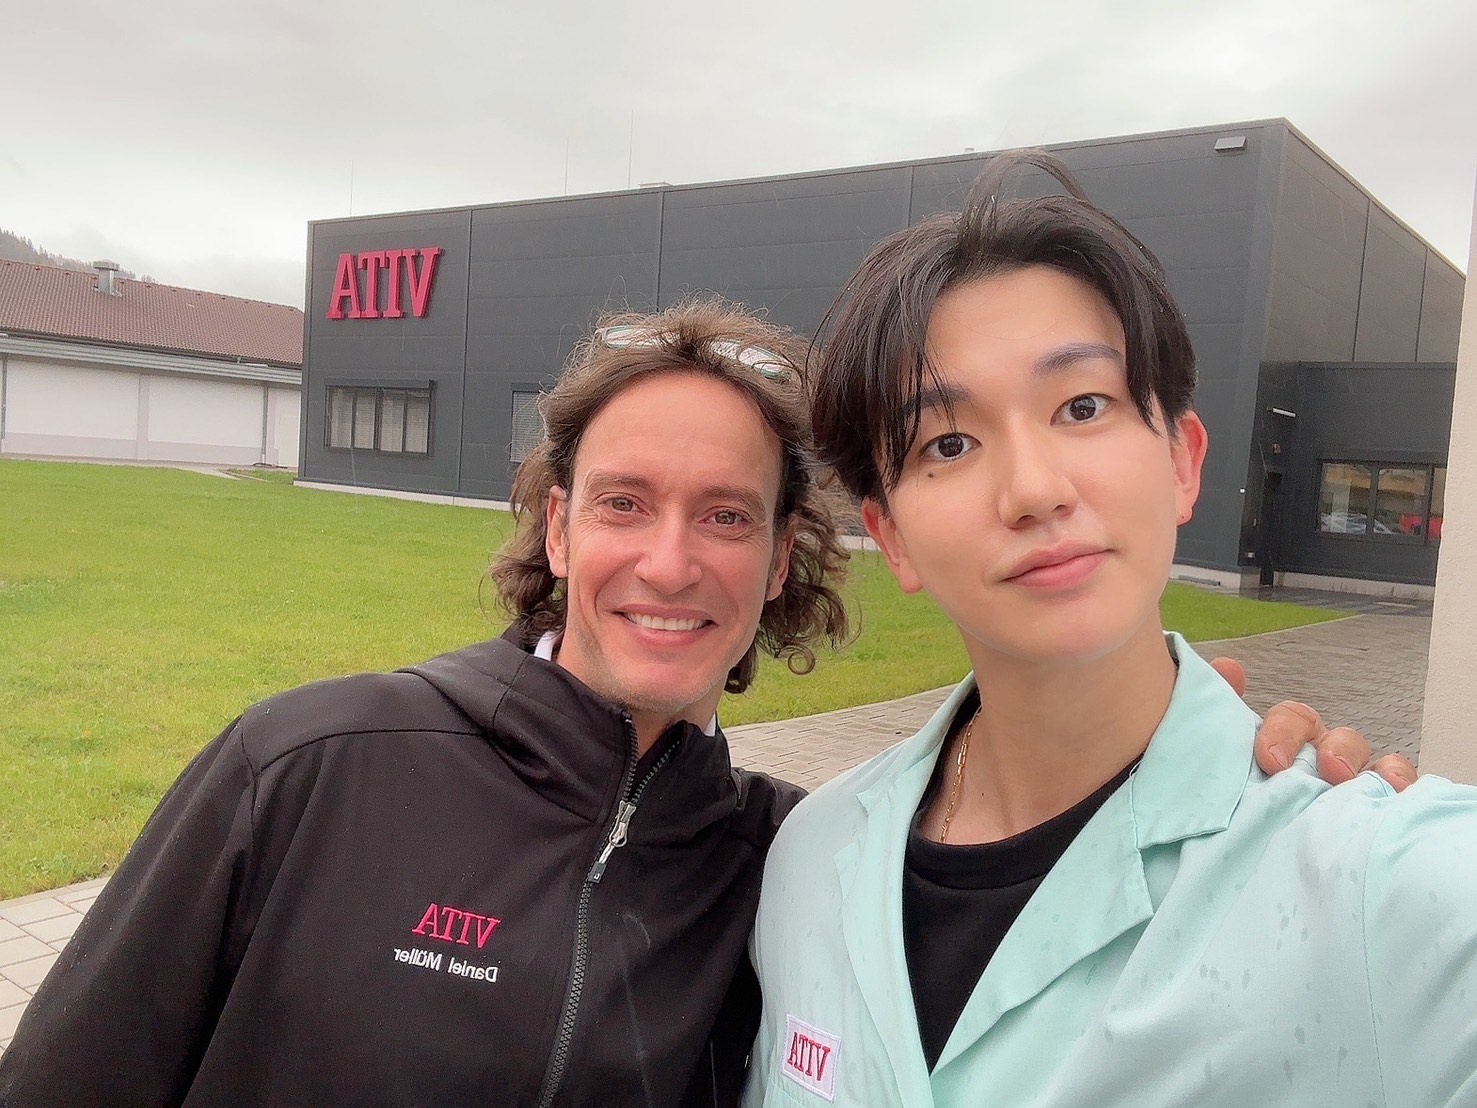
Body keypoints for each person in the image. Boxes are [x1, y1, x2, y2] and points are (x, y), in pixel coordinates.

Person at [0, 296, 1407, 1108]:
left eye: (727, 516)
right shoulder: (308, 769)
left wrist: (1249, 771)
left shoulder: (799, 865)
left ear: (782, 560)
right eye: (625, 503)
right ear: (558, 530)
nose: (671, 563)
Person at [743, 153, 1474, 1106]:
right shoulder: (809, 860)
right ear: (890, 537)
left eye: (1081, 406)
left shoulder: (1381, 882)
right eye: (948, 443)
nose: (1034, 488)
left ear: (1181, 461)